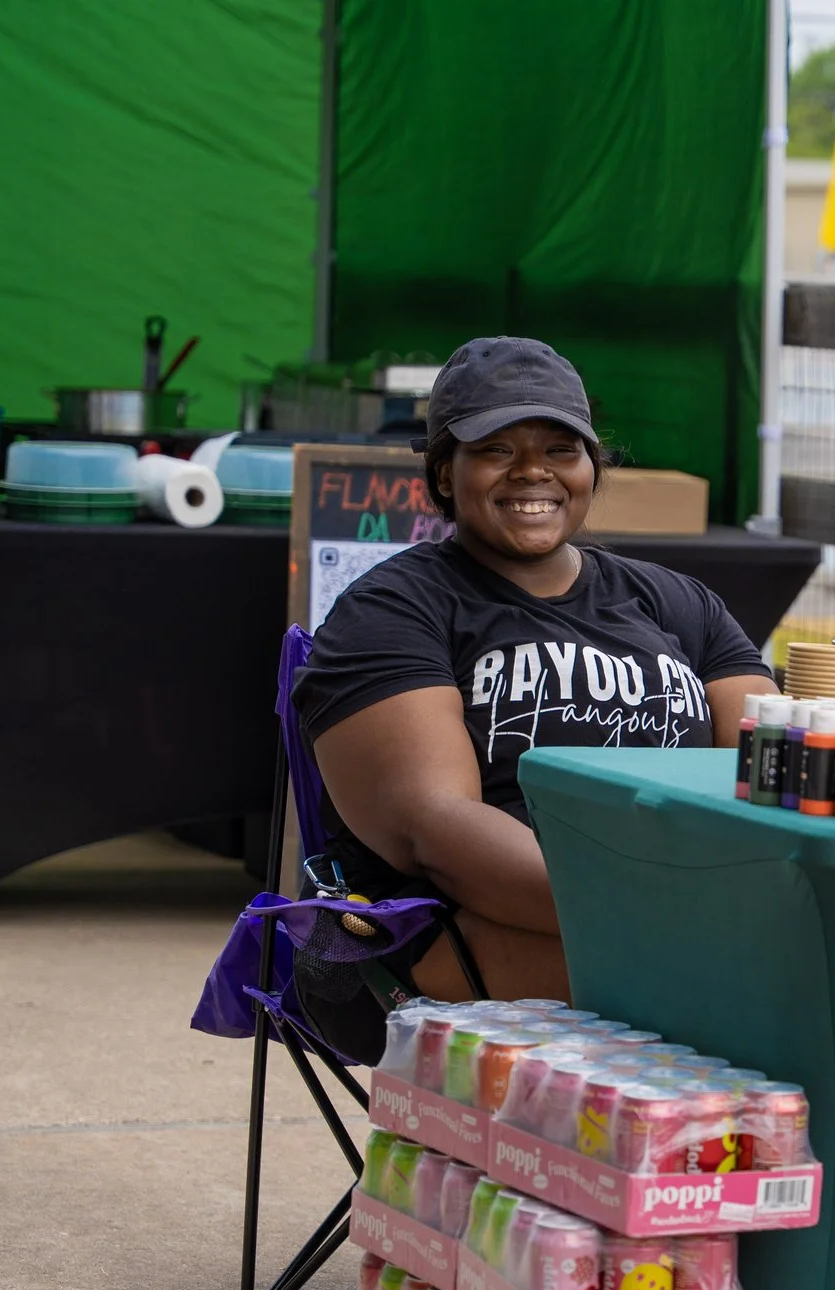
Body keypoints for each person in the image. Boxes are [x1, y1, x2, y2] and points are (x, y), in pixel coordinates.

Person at [295, 338, 779, 1006]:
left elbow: (769, 774)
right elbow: (436, 827)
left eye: (560, 449)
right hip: (454, 930)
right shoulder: (392, 609)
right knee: (756, 990)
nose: (532, 473)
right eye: (496, 450)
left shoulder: (676, 602)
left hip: (677, 914)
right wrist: (661, 910)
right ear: (444, 472)